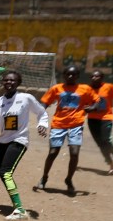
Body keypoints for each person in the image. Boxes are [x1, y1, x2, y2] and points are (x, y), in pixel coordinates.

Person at [0, 71, 49, 220]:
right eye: (6, 80)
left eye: (12, 80)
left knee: (5, 172)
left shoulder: (26, 98)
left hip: (19, 140)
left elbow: (41, 112)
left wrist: (42, 124)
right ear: (2, 82)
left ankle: (19, 210)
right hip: (3, 141)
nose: (9, 83)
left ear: (18, 83)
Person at [35, 66, 100, 196]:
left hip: (76, 124)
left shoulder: (85, 89)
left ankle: (69, 179)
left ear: (77, 76)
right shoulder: (56, 88)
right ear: (64, 75)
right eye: (68, 74)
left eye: (73, 74)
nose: (70, 77)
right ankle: (44, 177)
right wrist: (41, 116)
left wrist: (92, 108)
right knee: (53, 152)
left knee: (74, 153)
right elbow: (44, 103)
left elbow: (97, 101)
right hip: (58, 124)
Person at [87, 70, 113, 173]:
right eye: (92, 76)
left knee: (106, 140)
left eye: (96, 76)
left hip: (106, 118)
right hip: (92, 119)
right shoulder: (87, 89)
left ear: (102, 78)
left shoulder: (109, 87)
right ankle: (110, 164)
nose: (94, 78)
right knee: (100, 144)